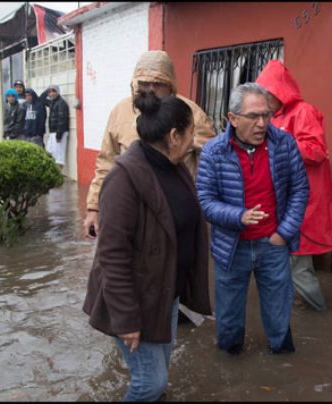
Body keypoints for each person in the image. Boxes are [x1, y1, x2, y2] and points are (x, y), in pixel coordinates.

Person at [82, 92, 211, 402]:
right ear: (174, 135)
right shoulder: (123, 180)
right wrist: (126, 321)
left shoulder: (176, 167)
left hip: (166, 294)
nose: (195, 139)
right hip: (135, 303)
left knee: (159, 378)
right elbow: (112, 257)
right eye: (191, 132)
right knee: (150, 383)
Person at [196, 83, 309, 355]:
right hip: (231, 248)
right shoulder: (214, 151)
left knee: (279, 319)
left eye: (266, 115)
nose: (262, 123)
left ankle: (283, 367)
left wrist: (284, 233)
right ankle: (229, 368)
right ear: (232, 119)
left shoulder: (284, 143)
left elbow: (300, 190)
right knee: (229, 322)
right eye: (253, 116)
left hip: (273, 244)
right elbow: (206, 200)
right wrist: (239, 216)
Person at [82, 50, 216, 239]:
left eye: (158, 84)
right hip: (133, 208)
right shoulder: (120, 112)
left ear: (171, 86)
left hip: (177, 210)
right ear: (135, 84)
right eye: (144, 84)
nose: (151, 90)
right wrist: (93, 208)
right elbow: (106, 163)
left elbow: (212, 159)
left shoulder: (190, 113)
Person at [255, 60, 332, 312]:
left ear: (279, 92)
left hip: (304, 203)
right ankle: (301, 306)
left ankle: (319, 311)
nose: (263, 101)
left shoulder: (303, 112)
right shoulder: (274, 117)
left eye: (267, 95)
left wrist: (280, 145)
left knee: (298, 264)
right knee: (288, 262)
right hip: (285, 204)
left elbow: (316, 151)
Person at [42, 84, 70, 167]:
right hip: (52, 133)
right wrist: (47, 90)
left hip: (59, 133)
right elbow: (42, 99)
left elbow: (62, 120)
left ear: (57, 92)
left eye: (53, 91)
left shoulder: (61, 103)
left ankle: (58, 176)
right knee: (49, 153)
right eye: (49, 92)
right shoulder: (52, 102)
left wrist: (59, 135)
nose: (51, 93)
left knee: (59, 158)